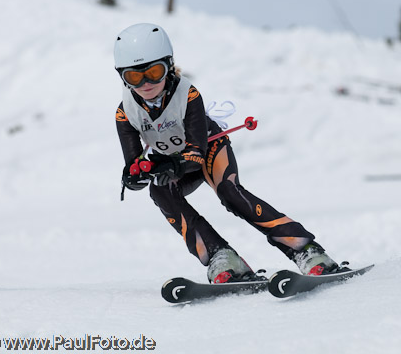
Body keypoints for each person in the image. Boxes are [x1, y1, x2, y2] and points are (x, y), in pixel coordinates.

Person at [114, 23, 348, 283]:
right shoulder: (125, 112)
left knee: (229, 192)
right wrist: (133, 178)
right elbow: (134, 167)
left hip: (208, 148)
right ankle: (220, 256)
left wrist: (171, 166)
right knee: (158, 191)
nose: (146, 83)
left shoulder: (188, 95)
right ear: (122, 77)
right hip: (175, 162)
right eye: (134, 77)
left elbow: (195, 156)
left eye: (154, 72)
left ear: (169, 66)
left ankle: (306, 250)